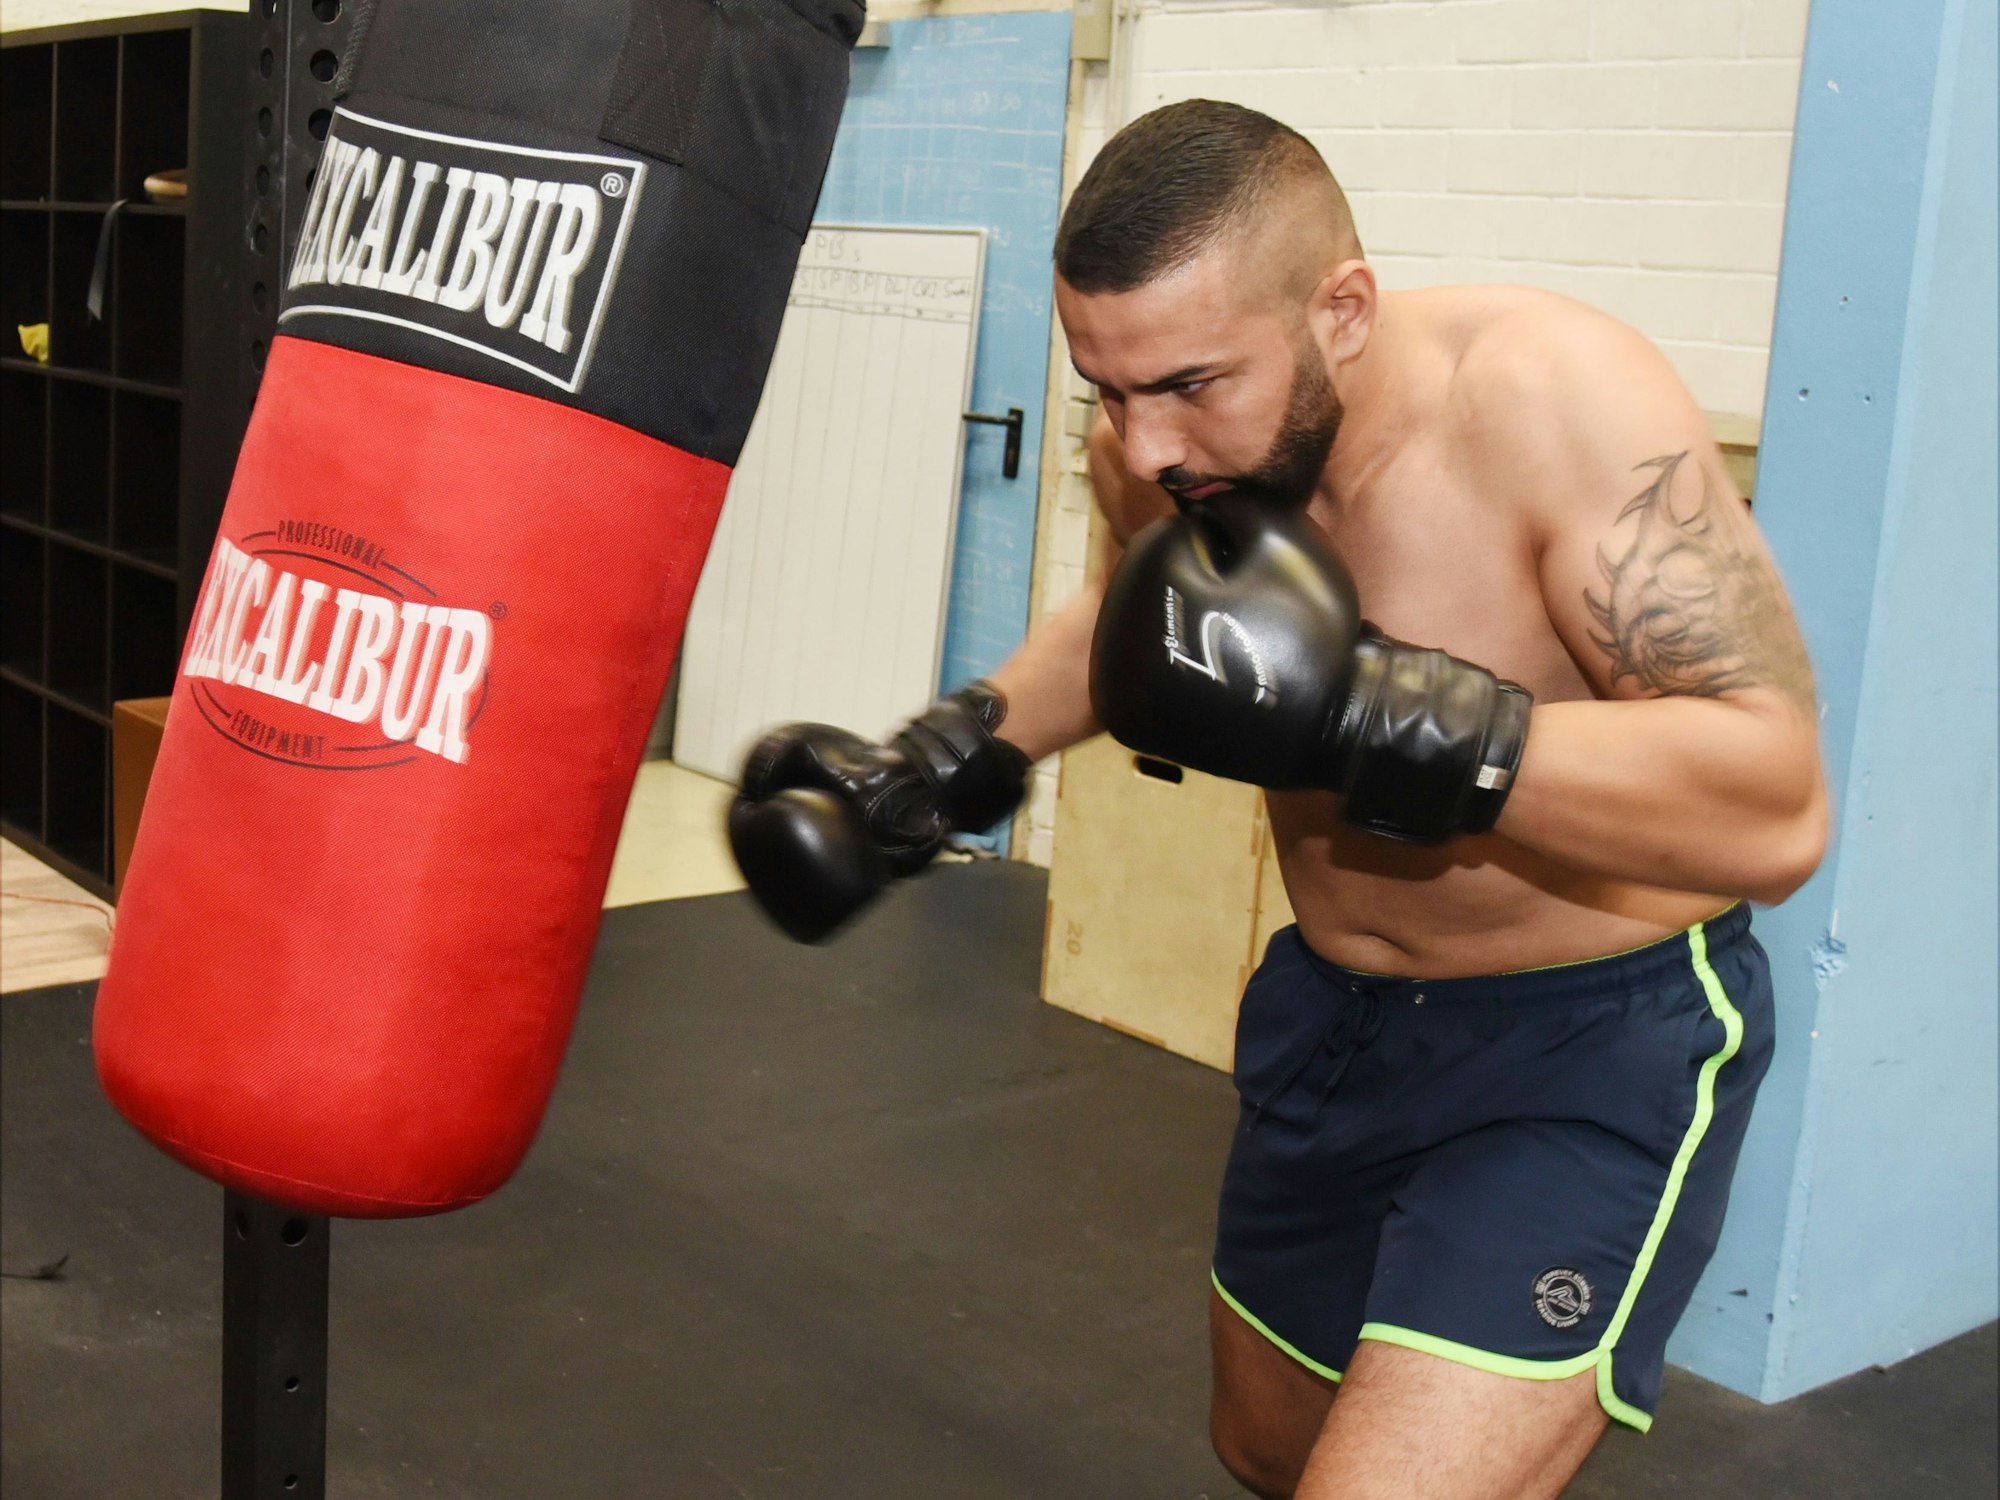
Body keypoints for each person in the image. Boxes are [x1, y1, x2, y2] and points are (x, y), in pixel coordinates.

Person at [728, 100, 1827, 1499]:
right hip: (1332, 1021)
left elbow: (1773, 800)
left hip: (1580, 1048)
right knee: (1268, 1448)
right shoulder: (1165, 440)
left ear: (1345, 309)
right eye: (1106, 393)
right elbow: (1140, 620)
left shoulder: (1558, 407)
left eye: (1190, 383)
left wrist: (1384, 711)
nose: (1142, 450)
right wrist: (949, 759)